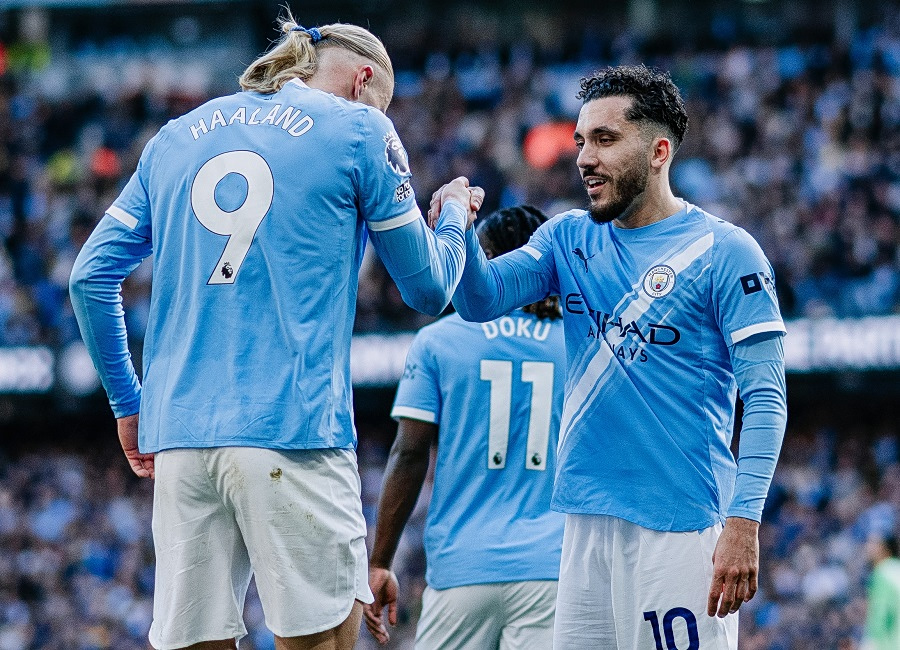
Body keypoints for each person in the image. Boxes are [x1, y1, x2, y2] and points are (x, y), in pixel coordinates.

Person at [69, 15, 479, 650]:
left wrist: (129, 403)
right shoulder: (360, 128)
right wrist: (452, 217)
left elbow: (89, 277)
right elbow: (428, 288)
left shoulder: (175, 137)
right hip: (295, 429)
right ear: (363, 80)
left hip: (181, 440)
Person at [433, 65, 788, 649]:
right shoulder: (567, 237)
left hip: (681, 527)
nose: (584, 158)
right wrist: (460, 229)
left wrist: (744, 521)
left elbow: (767, 398)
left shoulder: (726, 252)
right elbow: (480, 300)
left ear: (659, 152)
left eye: (604, 139)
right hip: (585, 524)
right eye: (580, 141)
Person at [364, 205, 567, 649]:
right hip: (552, 569)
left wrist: (380, 562)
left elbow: (409, 453)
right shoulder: (575, 342)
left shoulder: (438, 341)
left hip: (461, 569)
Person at [862, 534, 900, 650]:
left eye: (873, 543)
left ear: (885, 548)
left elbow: (880, 613)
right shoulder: (896, 568)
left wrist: (871, 643)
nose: (867, 547)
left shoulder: (883, 573)